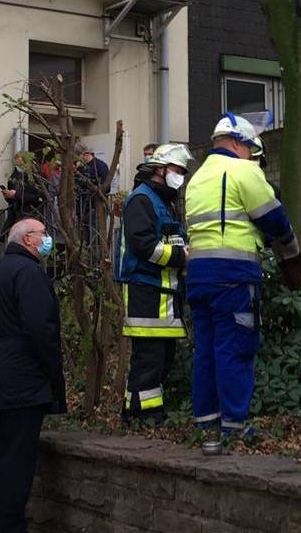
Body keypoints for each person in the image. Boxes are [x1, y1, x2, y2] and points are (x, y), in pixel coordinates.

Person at [184, 114, 301, 452]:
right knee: (235, 349)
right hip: (234, 276)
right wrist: (293, 257)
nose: (255, 159)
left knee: (206, 351)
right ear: (240, 144)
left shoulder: (196, 179)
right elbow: (275, 220)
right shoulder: (244, 171)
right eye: (253, 151)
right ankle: (234, 428)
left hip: (198, 276)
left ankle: (206, 426)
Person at [0, 218, 67, 533]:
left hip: (1, 377)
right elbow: (40, 329)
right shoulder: (29, 273)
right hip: (24, 379)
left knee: (4, 459)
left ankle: (2, 523)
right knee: (18, 463)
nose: (48, 239)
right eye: (44, 234)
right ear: (28, 239)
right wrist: (53, 373)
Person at [113, 143, 194, 424]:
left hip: (164, 293)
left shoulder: (162, 202)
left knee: (161, 358)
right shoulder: (142, 200)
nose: (181, 176)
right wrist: (180, 257)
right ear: (160, 169)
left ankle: (140, 411)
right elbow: (143, 245)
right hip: (145, 291)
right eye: (177, 170)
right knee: (149, 358)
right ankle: (145, 415)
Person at [1, 152, 47, 237]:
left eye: (20, 164)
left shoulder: (35, 177)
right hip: (16, 215)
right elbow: (12, 200)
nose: (18, 167)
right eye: (17, 164)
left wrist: (16, 195)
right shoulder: (14, 177)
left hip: (31, 214)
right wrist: (8, 196)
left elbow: (40, 197)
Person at [75, 144, 110, 245]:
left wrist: (93, 187)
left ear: (86, 154)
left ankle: (97, 259)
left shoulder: (100, 166)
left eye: (79, 155)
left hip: (96, 207)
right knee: (85, 238)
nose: (78, 158)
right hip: (83, 208)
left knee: (95, 237)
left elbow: (106, 187)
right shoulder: (81, 168)